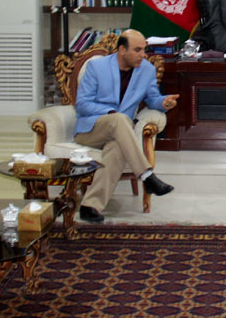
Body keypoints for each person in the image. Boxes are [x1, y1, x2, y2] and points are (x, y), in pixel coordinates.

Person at [74, 30, 177, 223]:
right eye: (137, 50)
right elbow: (82, 104)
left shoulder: (146, 70)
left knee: (117, 149)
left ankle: (90, 206)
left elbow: (152, 98)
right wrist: (112, 114)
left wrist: (163, 103)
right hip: (91, 129)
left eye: (144, 50)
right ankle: (147, 176)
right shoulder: (97, 66)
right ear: (122, 50)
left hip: (120, 134)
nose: (143, 55)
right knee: (120, 119)